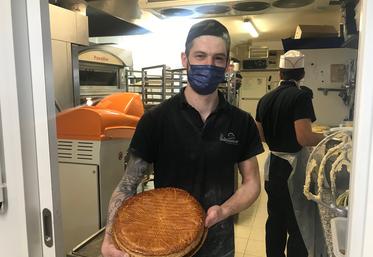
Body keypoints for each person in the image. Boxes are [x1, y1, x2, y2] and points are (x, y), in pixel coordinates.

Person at [101, 19, 264, 257]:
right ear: (184, 59)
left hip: (219, 243)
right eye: (200, 56)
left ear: (227, 65)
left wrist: (225, 210)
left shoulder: (241, 121)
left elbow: (252, 183)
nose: (209, 65)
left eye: (218, 58)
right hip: (165, 243)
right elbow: (128, 184)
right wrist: (109, 237)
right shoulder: (156, 120)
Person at [255, 50, 324, 257]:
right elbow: (304, 138)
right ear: (302, 74)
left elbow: (260, 135)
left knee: (275, 219)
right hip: (293, 171)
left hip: (273, 166)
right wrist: (330, 138)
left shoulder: (265, 98)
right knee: (297, 222)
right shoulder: (301, 96)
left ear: (280, 73)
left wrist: (279, 139)